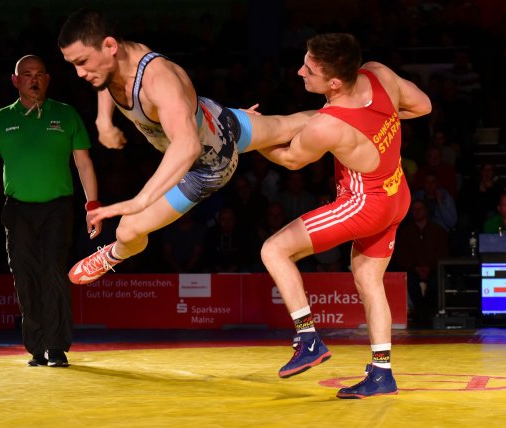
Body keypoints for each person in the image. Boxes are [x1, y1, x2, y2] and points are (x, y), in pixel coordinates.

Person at [57, 8, 313, 285]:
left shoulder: (157, 81)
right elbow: (105, 79)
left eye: (82, 62)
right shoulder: (114, 62)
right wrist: (103, 120)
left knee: (128, 231)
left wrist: (140, 201)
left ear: (109, 45)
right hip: (216, 117)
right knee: (290, 125)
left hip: (206, 166)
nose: (80, 73)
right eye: (73, 64)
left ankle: (113, 255)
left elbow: (188, 146)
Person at [257, 33, 432, 399]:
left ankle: (308, 339)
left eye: (309, 68)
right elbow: (423, 106)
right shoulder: (378, 73)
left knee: (274, 250)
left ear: (333, 82)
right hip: (396, 192)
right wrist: (380, 125)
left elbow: (290, 159)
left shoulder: (328, 124)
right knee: (368, 279)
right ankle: (382, 373)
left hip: (364, 204)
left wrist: (252, 141)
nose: (300, 70)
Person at [0, 55, 101, 367]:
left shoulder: (66, 115)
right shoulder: (0, 120)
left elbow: (83, 162)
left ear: (48, 79)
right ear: (16, 80)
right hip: (17, 210)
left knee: (53, 270)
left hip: (58, 208)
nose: (34, 79)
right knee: (24, 274)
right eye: (26, 74)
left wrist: (92, 206)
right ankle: (36, 348)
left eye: (39, 74)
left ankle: (56, 348)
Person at [393, 199, 449, 326]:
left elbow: (443, 253)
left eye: (420, 208)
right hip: (413, 269)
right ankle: (419, 313)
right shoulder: (405, 232)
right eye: (414, 209)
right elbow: (401, 254)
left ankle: (430, 312)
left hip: (433, 268)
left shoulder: (437, 230)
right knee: (410, 281)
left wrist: (429, 266)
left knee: (436, 281)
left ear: (426, 211)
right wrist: (415, 267)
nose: (417, 212)